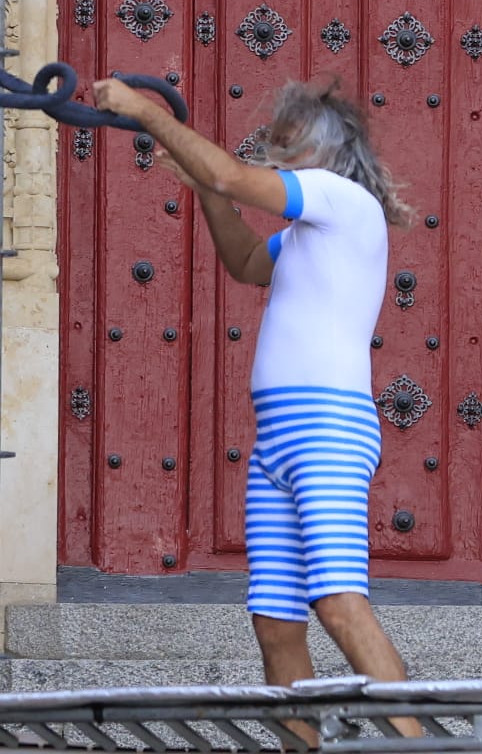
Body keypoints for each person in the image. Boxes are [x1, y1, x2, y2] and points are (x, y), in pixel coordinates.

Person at [91, 76, 422, 723]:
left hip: (326, 427)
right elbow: (244, 260)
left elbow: (236, 178)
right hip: (281, 437)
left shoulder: (339, 196)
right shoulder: (309, 232)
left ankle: (413, 739)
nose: (274, 155)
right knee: (275, 620)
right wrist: (207, 190)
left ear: (323, 153)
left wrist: (148, 115)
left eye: (288, 144)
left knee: (337, 600)